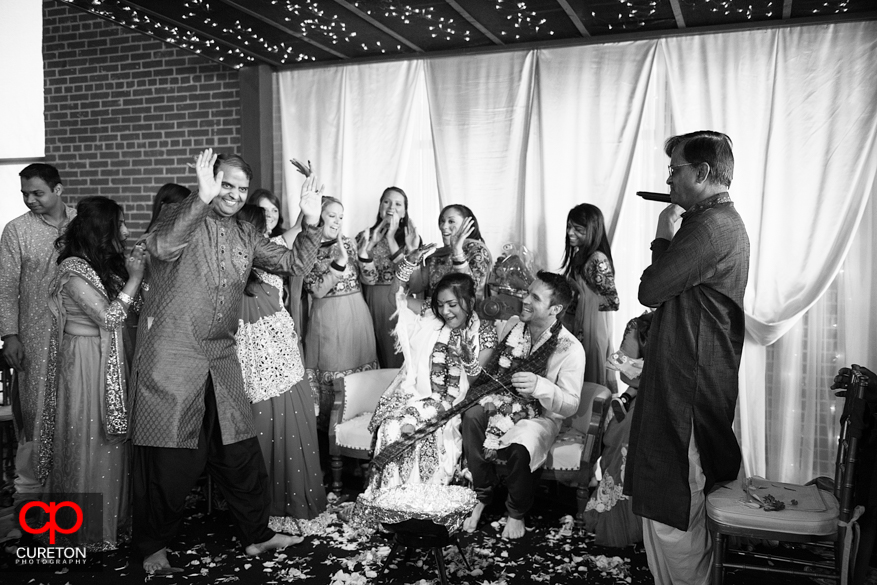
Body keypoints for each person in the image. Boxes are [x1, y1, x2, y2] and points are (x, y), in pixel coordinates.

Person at [129, 149, 324, 574]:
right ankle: (152, 548)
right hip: (173, 356)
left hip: (221, 356)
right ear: (211, 182)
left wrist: (310, 222)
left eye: (241, 189)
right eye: (227, 185)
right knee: (171, 460)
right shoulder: (178, 215)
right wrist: (200, 198)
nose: (234, 195)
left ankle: (258, 535)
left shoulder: (245, 233)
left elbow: (293, 263)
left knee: (239, 450)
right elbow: (160, 248)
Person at [625, 131, 749, 584]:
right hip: (687, 372)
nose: (669, 178)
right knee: (675, 501)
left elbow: (651, 290)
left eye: (675, 170)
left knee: (676, 503)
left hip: (688, 383)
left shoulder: (710, 227)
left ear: (702, 173)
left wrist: (662, 234)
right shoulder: (712, 222)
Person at [38, 196, 146, 548]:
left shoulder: (102, 264)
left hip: (110, 356)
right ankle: (85, 531)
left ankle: (112, 524)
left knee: (111, 441)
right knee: (89, 437)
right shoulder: (72, 270)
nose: (126, 231)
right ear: (103, 230)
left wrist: (139, 277)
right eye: (120, 225)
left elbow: (135, 307)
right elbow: (111, 316)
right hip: (85, 363)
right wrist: (135, 278)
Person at [462, 271, 585, 539]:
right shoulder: (514, 326)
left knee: (522, 442)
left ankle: (516, 512)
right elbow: (492, 366)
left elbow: (572, 404)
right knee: (472, 416)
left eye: (535, 298)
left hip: (540, 416)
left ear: (555, 309)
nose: (525, 299)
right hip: (501, 402)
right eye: (528, 292)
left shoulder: (570, 348)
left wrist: (541, 386)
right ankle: (482, 495)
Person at [362, 271, 496, 497]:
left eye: (452, 304)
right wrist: (407, 265)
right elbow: (395, 297)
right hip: (418, 396)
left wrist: (467, 358)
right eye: (441, 304)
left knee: (427, 433)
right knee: (391, 426)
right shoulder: (432, 316)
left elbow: (477, 381)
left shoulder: (484, 331)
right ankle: (389, 502)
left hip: (455, 403)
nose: (445, 311)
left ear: (470, 301)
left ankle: (424, 504)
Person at [234, 204, 327, 522]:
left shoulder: (268, 254)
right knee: (266, 427)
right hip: (256, 362)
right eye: (260, 231)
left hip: (283, 356)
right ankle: (269, 507)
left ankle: (292, 502)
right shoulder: (231, 265)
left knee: (293, 424)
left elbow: (294, 240)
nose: (265, 237)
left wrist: (309, 211)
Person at [0, 163, 76, 515]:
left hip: (81, 338)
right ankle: (30, 509)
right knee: (34, 417)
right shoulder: (16, 231)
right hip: (33, 339)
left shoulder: (81, 222)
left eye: (38, 193)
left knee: (76, 413)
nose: (30, 200)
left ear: (58, 190)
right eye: (25, 194)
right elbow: (6, 288)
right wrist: (10, 335)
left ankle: (73, 501)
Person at [303, 196, 379, 433]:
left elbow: (371, 279)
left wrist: (364, 255)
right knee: (332, 376)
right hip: (327, 319)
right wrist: (339, 264)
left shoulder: (349, 243)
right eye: (332, 215)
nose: (337, 221)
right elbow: (316, 290)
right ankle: (331, 441)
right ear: (318, 216)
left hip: (357, 316)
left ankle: (360, 441)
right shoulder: (306, 248)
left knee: (361, 374)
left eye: (341, 217)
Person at [582, 311, 653, 548]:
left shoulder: (645, 328)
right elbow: (626, 368)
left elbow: (629, 369)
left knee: (626, 452)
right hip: (643, 403)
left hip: (652, 408)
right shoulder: (641, 327)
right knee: (621, 451)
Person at [357, 187, 421, 368]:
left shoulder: (411, 238)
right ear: (380, 207)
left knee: (395, 354)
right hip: (366, 301)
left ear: (404, 211)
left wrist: (392, 239)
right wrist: (371, 244)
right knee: (370, 351)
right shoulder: (365, 236)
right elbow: (359, 273)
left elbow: (412, 281)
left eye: (398, 203)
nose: (392, 206)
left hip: (396, 302)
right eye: (387, 201)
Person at [561, 203, 619, 393]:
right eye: (569, 227)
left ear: (593, 231)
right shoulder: (581, 255)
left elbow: (612, 300)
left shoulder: (597, 259)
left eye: (577, 229)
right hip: (581, 322)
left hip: (593, 326)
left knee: (591, 369)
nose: (570, 233)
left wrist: (583, 296)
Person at [408, 204, 492, 302]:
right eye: (442, 221)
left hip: (463, 314)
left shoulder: (477, 250)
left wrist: (457, 252)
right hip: (434, 313)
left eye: (451, 221)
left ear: (467, 224)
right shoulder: (437, 255)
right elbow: (416, 288)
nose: (443, 226)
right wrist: (413, 254)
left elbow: (472, 291)